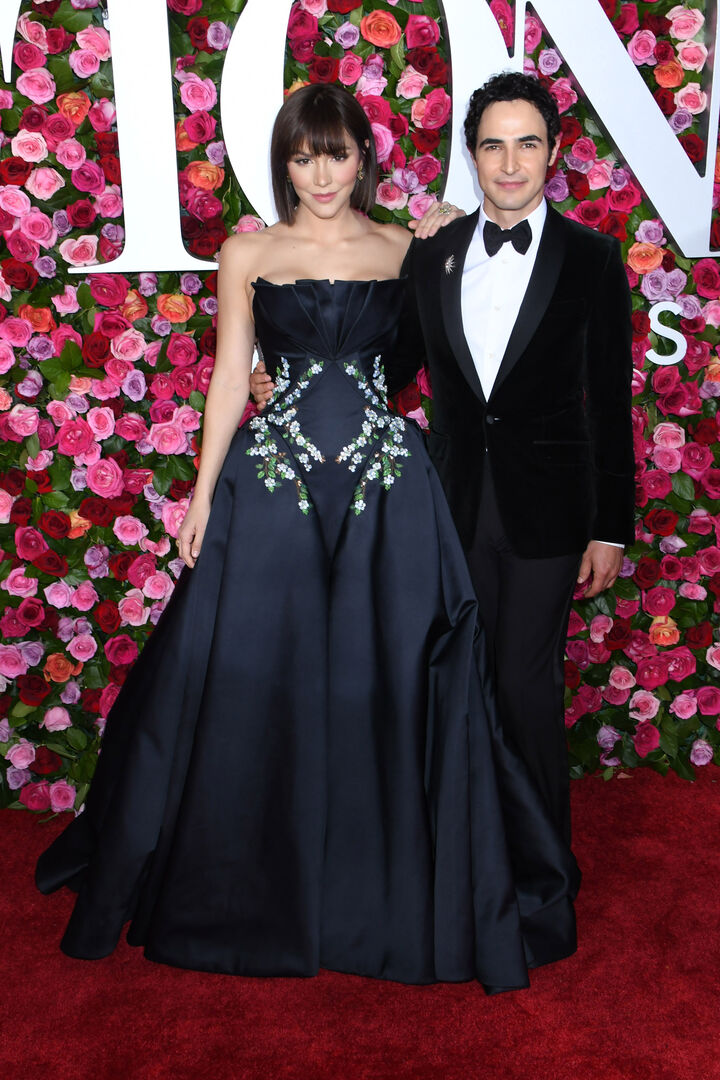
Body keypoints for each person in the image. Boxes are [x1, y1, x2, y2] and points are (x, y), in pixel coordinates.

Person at [37, 83, 578, 992]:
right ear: (283, 164)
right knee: (255, 674)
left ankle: (379, 877)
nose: (321, 175)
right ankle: (248, 878)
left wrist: (452, 230)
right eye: (302, 156)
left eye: (337, 154)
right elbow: (227, 377)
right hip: (272, 488)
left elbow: (455, 361)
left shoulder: (411, 249)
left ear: (364, 158)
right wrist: (201, 496)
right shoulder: (247, 252)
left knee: (382, 676)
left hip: (385, 493)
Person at [252, 72, 635, 853]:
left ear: (553, 151)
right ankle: (471, 855)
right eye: (493, 145)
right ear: (472, 153)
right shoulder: (437, 252)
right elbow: (389, 365)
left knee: (524, 680)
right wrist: (293, 377)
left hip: (550, 508)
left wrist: (611, 528)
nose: (510, 163)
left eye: (527, 144)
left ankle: (541, 866)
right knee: (463, 674)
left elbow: (610, 402)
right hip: (450, 503)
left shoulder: (593, 258)